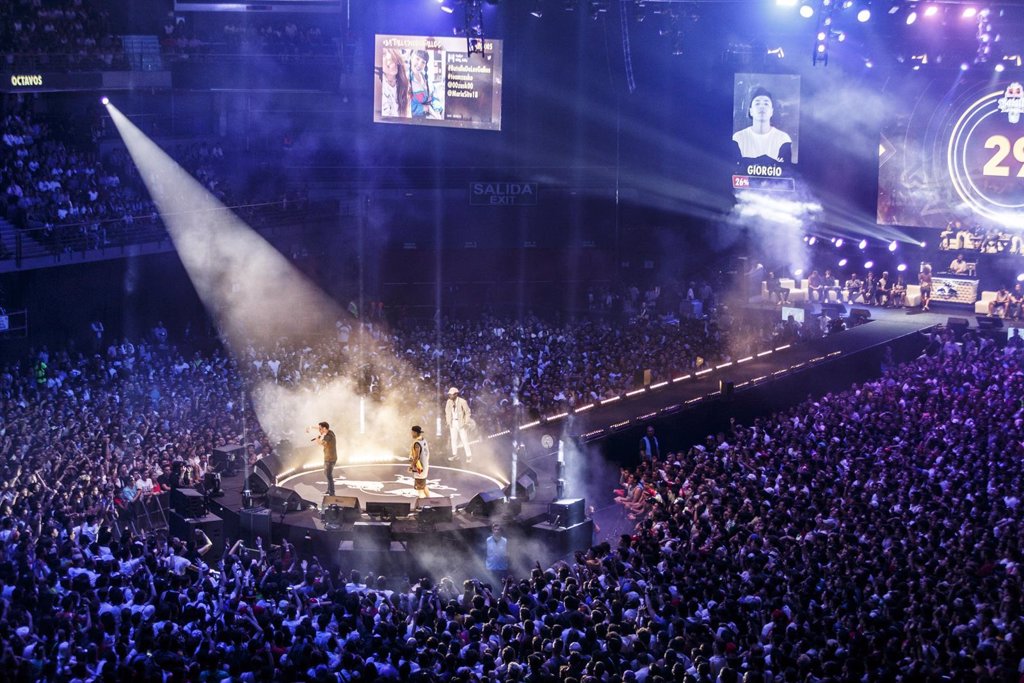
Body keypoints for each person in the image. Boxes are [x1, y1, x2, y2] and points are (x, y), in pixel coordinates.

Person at [732, 87, 793, 163]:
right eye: (757, 103)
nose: (762, 107)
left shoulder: (783, 139)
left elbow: (786, 170)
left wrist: (748, 161)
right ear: (751, 111)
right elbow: (735, 167)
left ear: (772, 111)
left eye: (766, 104)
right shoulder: (738, 138)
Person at [379, 47, 411, 118]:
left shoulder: (404, 84)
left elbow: (407, 115)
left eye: (390, 52)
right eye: (383, 54)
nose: (389, 56)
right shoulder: (378, 86)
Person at [409, 49, 441, 119]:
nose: (420, 64)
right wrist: (426, 108)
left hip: (429, 117)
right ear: (411, 58)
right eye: (417, 59)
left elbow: (434, 97)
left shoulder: (426, 79)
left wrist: (437, 110)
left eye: (423, 62)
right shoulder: (405, 79)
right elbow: (406, 105)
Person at [445, 387, 473, 463]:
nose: (450, 396)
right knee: (453, 440)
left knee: (464, 440)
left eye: (451, 395)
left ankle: (469, 456)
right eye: (449, 394)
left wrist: (466, 423)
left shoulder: (462, 401)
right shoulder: (449, 402)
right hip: (452, 423)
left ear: (456, 394)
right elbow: (447, 412)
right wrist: (448, 422)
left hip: (461, 423)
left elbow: (467, 412)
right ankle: (455, 455)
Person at [313, 421, 337, 496]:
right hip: (328, 457)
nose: (319, 430)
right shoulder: (329, 432)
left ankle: (332, 492)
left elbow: (322, 443)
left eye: (320, 429)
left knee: (329, 475)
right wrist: (311, 427)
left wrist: (317, 439)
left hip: (330, 458)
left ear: (324, 428)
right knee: (327, 474)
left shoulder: (328, 436)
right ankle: (329, 490)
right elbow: (321, 428)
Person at [409, 425, 430, 498]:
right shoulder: (423, 440)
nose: (411, 434)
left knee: (419, 488)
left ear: (415, 432)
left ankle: (422, 504)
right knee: (423, 485)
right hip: (425, 465)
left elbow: (416, 457)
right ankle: (430, 500)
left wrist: (411, 466)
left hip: (420, 468)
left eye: (412, 432)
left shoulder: (417, 444)